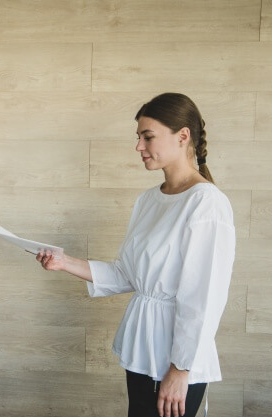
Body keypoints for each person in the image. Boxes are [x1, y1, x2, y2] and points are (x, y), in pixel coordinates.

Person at [36, 93, 235, 417]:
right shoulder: (148, 200)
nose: (139, 146)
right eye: (139, 137)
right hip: (143, 348)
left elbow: (205, 297)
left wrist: (181, 369)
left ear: (182, 135)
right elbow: (127, 274)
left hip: (176, 358)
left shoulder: (206, 203)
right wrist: (63, 262)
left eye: (148, 136)